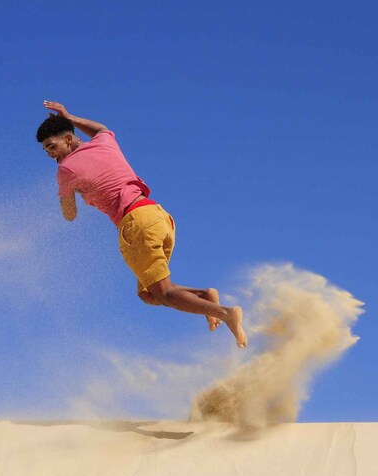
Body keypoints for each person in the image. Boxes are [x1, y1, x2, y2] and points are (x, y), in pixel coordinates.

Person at [36, 101, 248, 348]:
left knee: (164, 294)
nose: (51, 153)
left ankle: (225, 313)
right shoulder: (104, 143)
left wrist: (67, 193)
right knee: (149, 294)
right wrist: (69, 116)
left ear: (69, 140)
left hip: (135, 224)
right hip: (159, 217)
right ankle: (205, 298)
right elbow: (101, 128)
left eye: (52, 146)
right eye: (46, 150)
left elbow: (69, 215)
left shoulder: (66, 169)